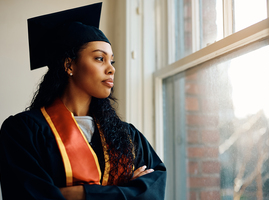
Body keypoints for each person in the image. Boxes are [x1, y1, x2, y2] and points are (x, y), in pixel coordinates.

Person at [0, 3, 166, 200]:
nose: (111, 69)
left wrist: (79, 194)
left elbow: (154, 189)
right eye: (99, 59)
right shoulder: (24, 132)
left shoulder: (127, 136)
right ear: (69, 64)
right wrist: (127, 190)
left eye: (111, 61)